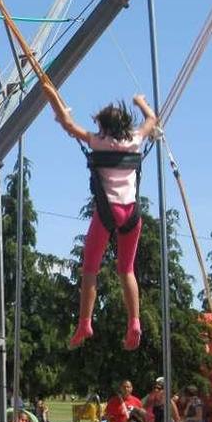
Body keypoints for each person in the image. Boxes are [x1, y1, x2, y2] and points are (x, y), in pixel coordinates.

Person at [56, 95, 157, 350]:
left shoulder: (98, 142)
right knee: (127, 270)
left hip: (106, 212)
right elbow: (152, 120)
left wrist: (59, 109)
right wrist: (140, 102)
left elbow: (69, 126)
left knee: (90, 270)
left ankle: (85, 323)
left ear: (104, 127)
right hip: (132, 214)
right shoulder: (134, 139)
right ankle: (134, 321)